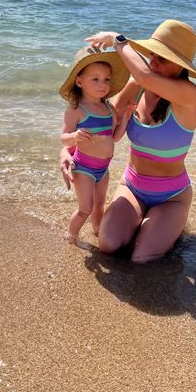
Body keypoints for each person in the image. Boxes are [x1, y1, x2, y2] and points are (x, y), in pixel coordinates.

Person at [60, 20, 196, 262]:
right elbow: (100, 123)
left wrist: (117, 40)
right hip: (133, 186)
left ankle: (169, 224)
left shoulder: (189, 95)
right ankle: (146, 223)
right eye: (152, 55)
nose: (153, 62)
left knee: (142, 258)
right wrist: (67, 151)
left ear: (180, 66)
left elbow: (144, 75)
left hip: (172, 196)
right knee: (108, 244)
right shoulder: (137, 86)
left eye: (163, 58)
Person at [59, 46, 131, 246]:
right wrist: (75, 135)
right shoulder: (77, 110)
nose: (103, 84)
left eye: (107, 79)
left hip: (103, 169)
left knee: (99, 205)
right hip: (83, 168)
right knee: (85, 208)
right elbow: (64, 138)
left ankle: (98, 231)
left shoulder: (108, 108)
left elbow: (114, 137)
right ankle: (71, 236)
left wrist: (124, 119)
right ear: (79, 81)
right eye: (95, 79)